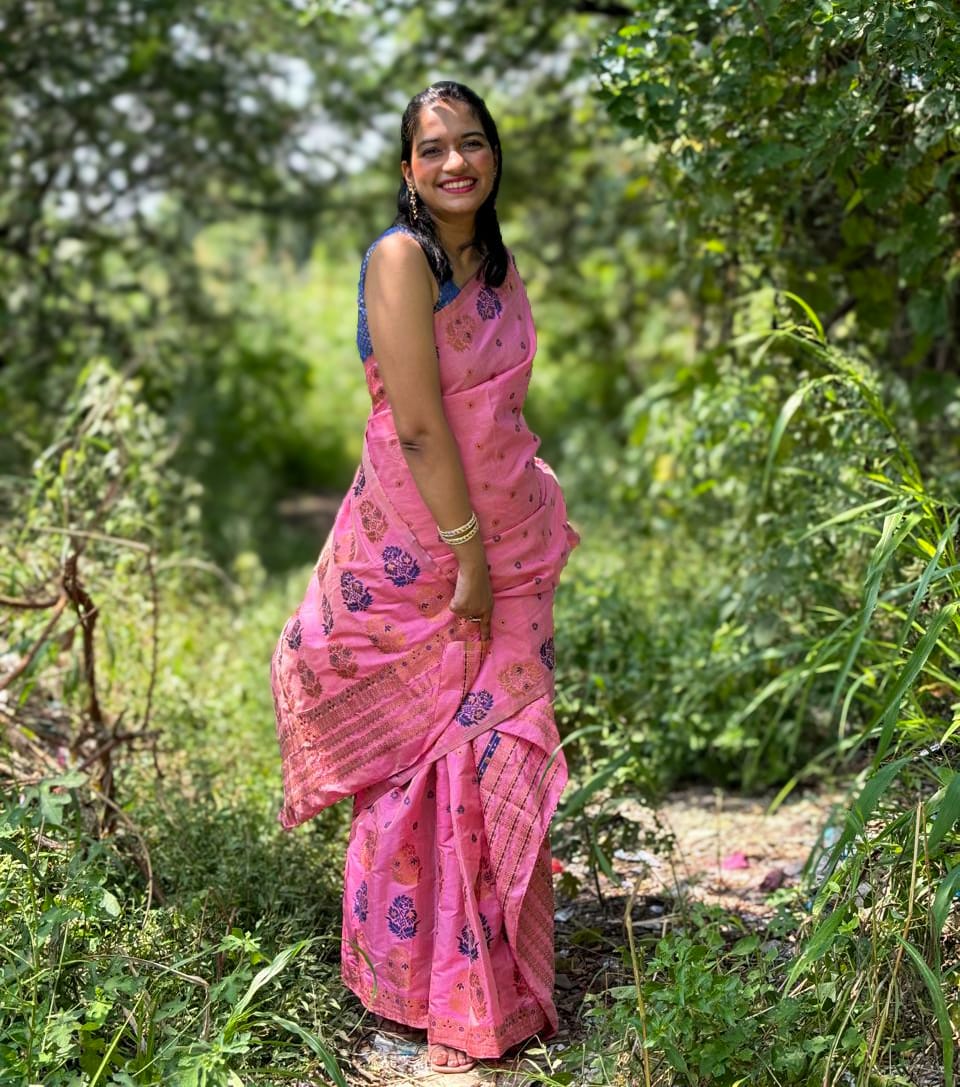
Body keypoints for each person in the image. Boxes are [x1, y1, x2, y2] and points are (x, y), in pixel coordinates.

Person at [271, 80, 580, 1075]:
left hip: (510, 541)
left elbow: (501, 410)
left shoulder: (497, 263)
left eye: (473, 142)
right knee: (423, 765)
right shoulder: (402, 259)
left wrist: (519, 515)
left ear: (494, 157)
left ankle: (496, 985)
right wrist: (469, 556)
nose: (457, 162)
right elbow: (415, 423)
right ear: (408, 168)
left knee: (495, 750)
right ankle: (415, 988)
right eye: (434, 147)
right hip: (424, 551)